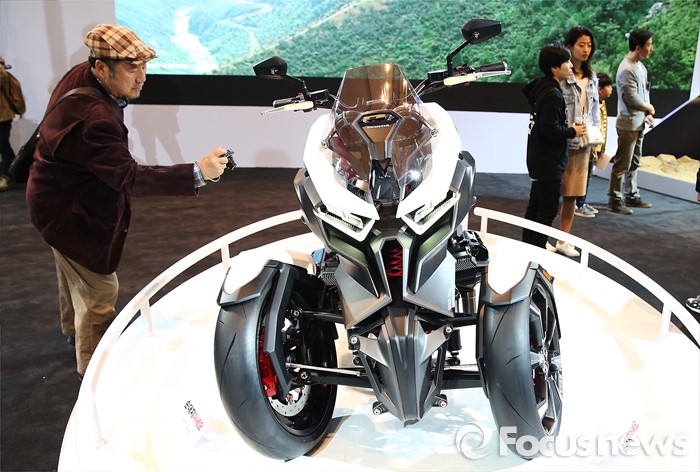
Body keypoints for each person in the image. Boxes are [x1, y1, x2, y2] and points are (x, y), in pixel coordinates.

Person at [25, 24, 231, 380]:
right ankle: (94, 372)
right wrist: (198, 172)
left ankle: (73, 332)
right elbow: (130, 177)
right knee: (100, 290)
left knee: (73, 270)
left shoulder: (82, 76)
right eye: (132, 68)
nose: (142, 78)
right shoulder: (95, 118)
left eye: (144, 66)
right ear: (101, 67)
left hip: (51, 199)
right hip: (68, 212)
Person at [522, 44, 586, 250]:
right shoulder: (553, 95)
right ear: (554, 68)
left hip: (539, 158)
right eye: (566, 62)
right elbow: (549, 130)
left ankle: (528, 248)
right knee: (546, 209)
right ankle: (536, 251)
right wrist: (572, 131)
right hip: (548, 160)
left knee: (536, 206)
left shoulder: (541, 90)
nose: (570, 66)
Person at [549, 26, 600, 258]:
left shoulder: (593, 77)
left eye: (589, 45)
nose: (586, 49)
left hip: (582, 143)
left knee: (572, 195)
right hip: (561, 140)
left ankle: (563, 239)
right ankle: (542, 236)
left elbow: (594, 112)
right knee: (552, 192)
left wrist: (596, 142)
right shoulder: (562, 76)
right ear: (569, 46)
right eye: (581, 45)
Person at [608, 28, 655, 215]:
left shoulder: (640, 67)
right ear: (638, 47)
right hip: (628, 124)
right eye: (649, 45)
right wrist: (648, 107)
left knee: (634, 162)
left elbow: (644, 92)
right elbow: (631, 99)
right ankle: (614, 199)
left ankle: (631, 195)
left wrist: (647, 113)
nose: (651, 48)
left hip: (639, 122)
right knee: (622, 164)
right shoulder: (626, 69)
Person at [575, 72, 613, 218]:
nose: (611, 89)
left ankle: (582, 202)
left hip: (596, 145)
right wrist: (593, 146)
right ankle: (578, 204)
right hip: (589, 144)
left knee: (588, 176)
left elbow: (602, 127)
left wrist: (601, 147)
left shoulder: (602, 104)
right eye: (608, 86)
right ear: (599, 89)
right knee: (583, 175)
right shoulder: (591, 105)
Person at [0, 55, 26, 191]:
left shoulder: (1, 71)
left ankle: (8, 175)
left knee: (3, 145)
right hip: (3, 116)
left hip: (3, 117)